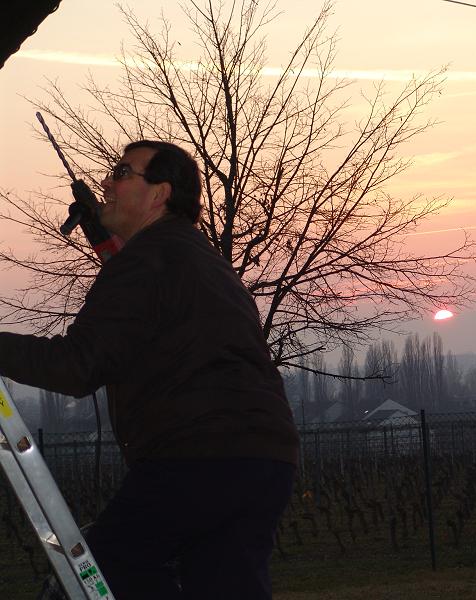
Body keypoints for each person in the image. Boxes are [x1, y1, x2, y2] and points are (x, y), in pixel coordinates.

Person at [0, 141, 299, 599]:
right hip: (264, 460)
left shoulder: (146, 261)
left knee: (102, 571)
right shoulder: (195, 258)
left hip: (196, 458)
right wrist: (108, 240)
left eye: (122, 173)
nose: (107, 182)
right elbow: (146, 311)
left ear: (158, 194)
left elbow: (77, 366)